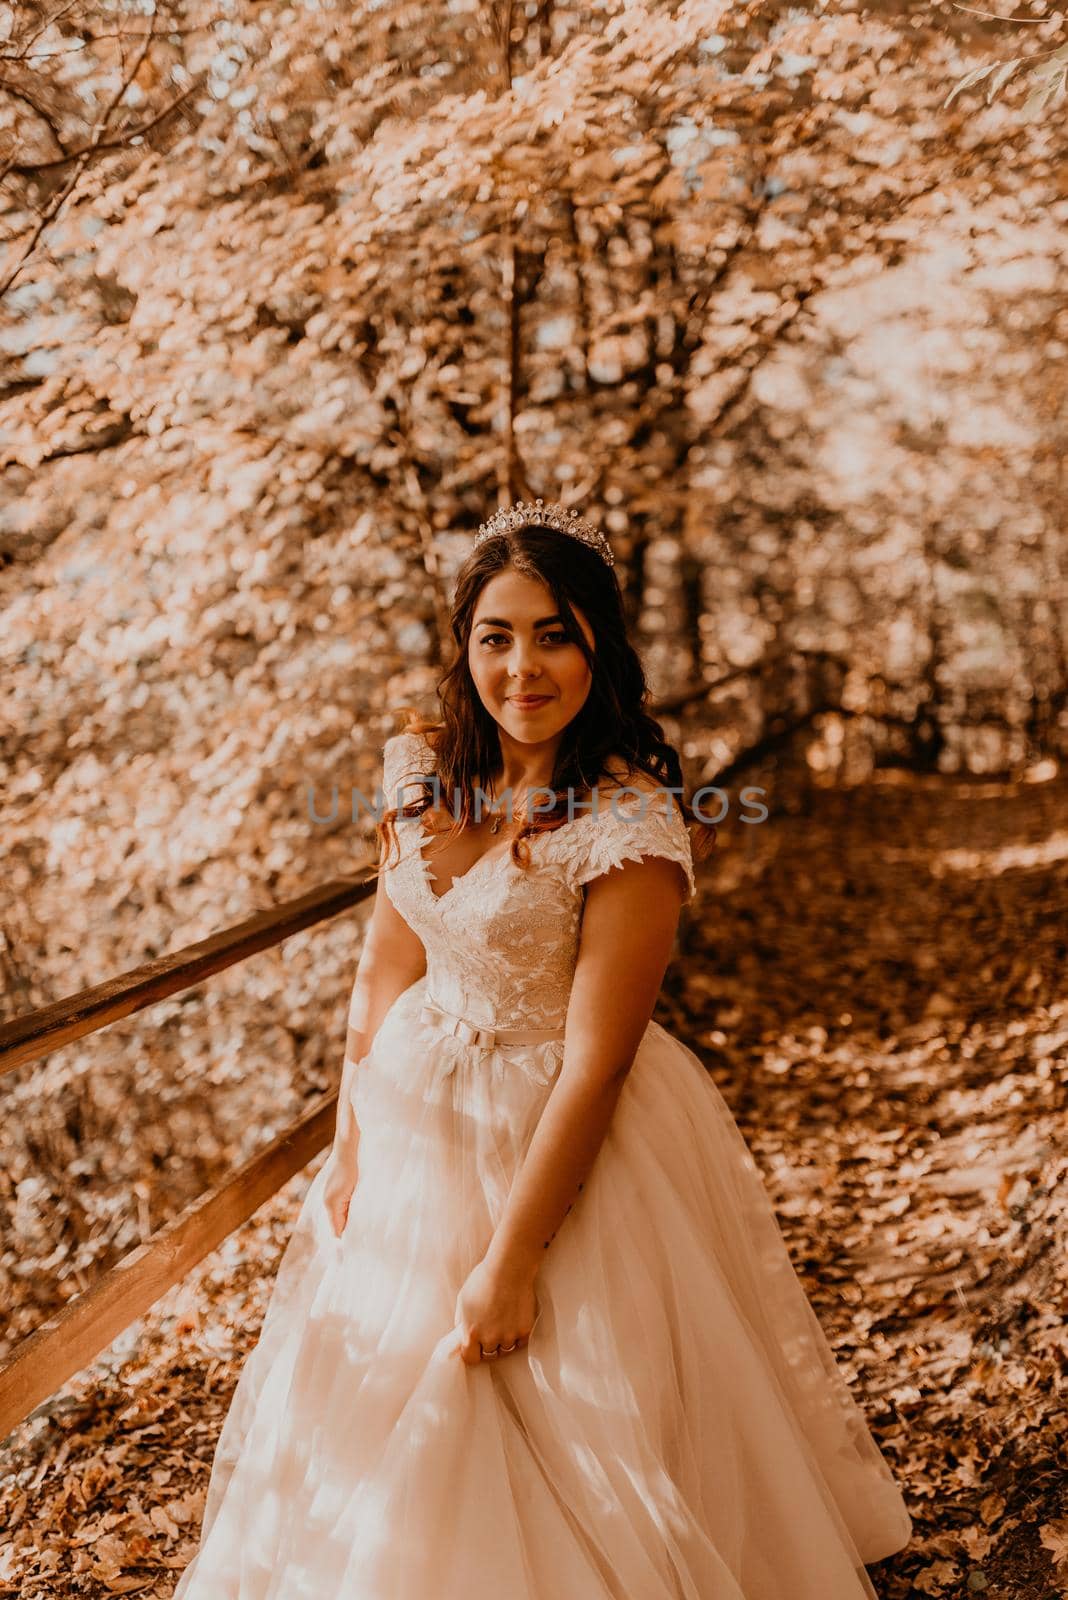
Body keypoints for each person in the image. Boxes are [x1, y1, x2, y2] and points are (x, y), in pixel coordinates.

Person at [173, 500, 912, 1600]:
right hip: (416, 1110)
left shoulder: (628, 822)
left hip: (557, 1135)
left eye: (555, 633)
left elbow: (597, 1063)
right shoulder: (418, 768)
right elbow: (385, 963)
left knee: (548, 1400)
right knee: (377, 1399)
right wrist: (351, 1136)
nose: (523, 666)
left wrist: (510, 1262)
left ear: (599, 646)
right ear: (464, 642)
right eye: (497, 634)